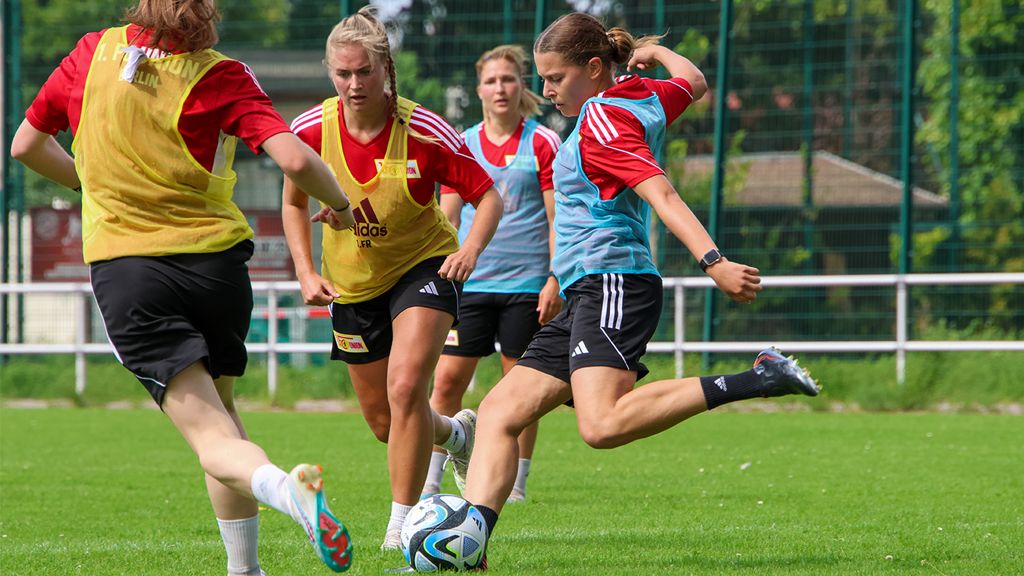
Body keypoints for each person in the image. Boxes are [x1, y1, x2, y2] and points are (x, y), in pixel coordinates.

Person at [461, 12, 821, 561]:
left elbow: (664, 196)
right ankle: (467, 546)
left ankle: (757, 378)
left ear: (593, 67)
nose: (547, 89)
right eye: (543, 78)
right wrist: (657, 56)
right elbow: (694, 83)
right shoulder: (639, 95)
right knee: (497, 413)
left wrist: (713, 261)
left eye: (556, 77)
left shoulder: (605, 119)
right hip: (588, 286)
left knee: (601, 425)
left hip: (614, 281)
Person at [11, 1, 356, 574]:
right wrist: (340, 205)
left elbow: (25, 145)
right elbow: (293, 157)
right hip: (217, 269)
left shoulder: (91, 52)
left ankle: (286, 491)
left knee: (211, 438)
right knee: (222, 417)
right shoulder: (221, 73)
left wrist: (92, 186)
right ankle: (244, 569)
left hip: (132, 272)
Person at [281, 6, 503, 550]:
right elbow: (292, 201)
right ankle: (456, 433)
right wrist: (306, 270)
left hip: (423, 268)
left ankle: (402, 525)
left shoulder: (424, 130)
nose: (354, 84)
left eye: (364, 72)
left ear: (385, 68)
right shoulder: (309, 129)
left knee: (406, 388)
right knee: (385, 422)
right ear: (331, 72)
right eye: (343, 73)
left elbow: (488, 195)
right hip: (353, 287)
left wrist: (470, 250)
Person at [422, 45, 563, 504]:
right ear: (478, 88)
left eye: (508, 79)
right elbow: (446, 213)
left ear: (522, 85)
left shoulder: (543, 142)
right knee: (445, 383)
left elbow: (558, 217)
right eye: (491, 80)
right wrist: (440, 268)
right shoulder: (461, 142)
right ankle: (430, 484)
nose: (500, 88)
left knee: (520, 388)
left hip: (526, 288)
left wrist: (555, 278)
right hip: (469, 287)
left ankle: (516, 484)